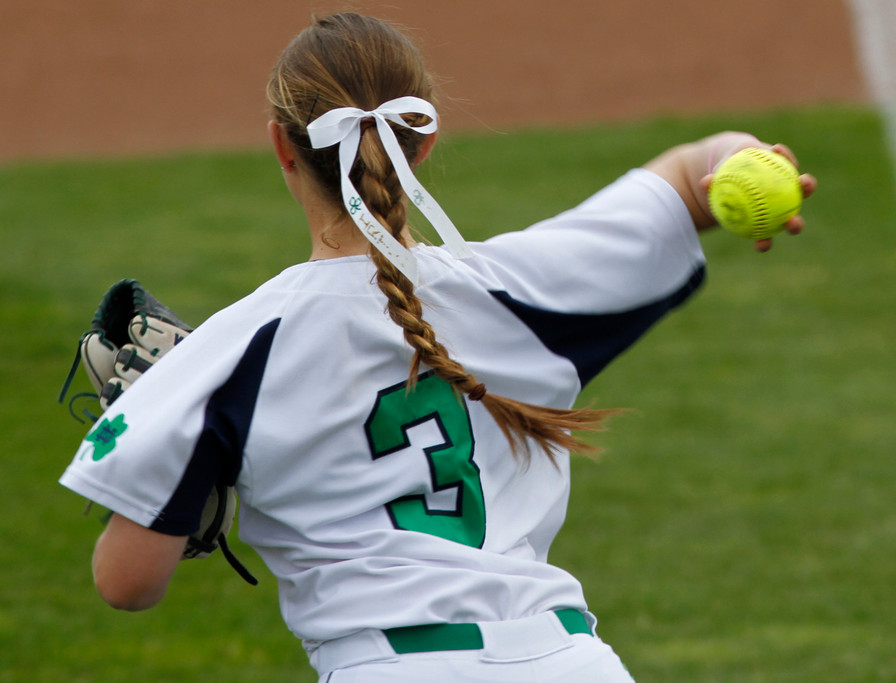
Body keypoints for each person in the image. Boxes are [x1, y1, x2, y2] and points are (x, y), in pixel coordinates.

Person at [59, 12, 816, 682]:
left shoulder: (227, 357)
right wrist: (743, 156)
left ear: (282, 150)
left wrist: (190, 487)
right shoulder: (523, 291)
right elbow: (689, 175)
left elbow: (128, 581)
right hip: (571, 663)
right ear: (424, 143)